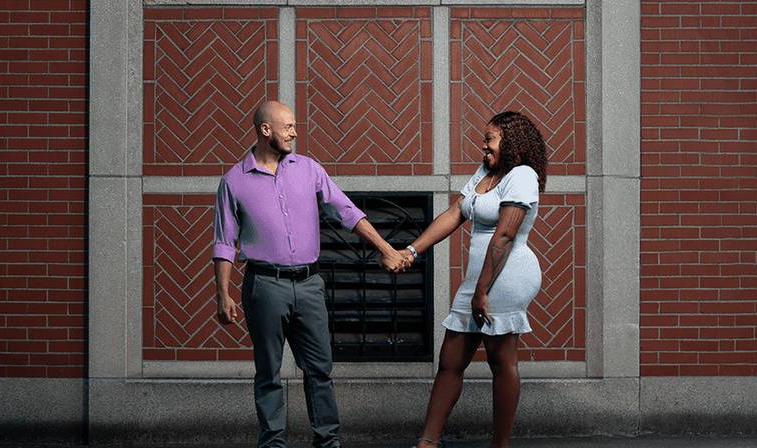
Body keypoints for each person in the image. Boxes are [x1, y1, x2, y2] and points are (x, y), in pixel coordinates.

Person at [213, 100, 409, 448]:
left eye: (294, 126)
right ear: (265, 130)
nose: (294, 132)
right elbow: (225, 241)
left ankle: (328, 442)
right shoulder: (234, 181)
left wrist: (387, 249)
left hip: (309, 285)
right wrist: (223, 294)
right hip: (264, 286)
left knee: (320, 370)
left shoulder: (308, 169)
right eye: (287, 126)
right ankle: (272, 444)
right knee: (268, 373)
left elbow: (347, 212)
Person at [400, 111, 548, 448]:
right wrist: (412, 250)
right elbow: (456, 213)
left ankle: (500, 444)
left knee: (501, 360)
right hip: (479, 278)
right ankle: (428, 442)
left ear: (511, 142)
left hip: (507, 276)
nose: (483, 146)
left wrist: (482, 292)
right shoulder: (487, 173)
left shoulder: (522, 176)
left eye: (490, 139)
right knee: (450, 360)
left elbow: (506, 236)